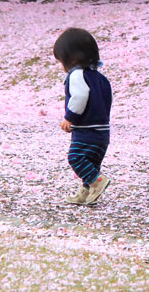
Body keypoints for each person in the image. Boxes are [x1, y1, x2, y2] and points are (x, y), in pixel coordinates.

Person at [54, 27, 113, 205]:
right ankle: (86, 192)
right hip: (102, 133)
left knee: (76, 157)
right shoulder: (100, 78)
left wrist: (70, 117)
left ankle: (97, 182)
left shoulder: (76, 75)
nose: (61, 66)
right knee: (91, 163)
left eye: (60, 61)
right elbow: (106, 101)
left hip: (87, 130)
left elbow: (80, 96)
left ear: (70, 59)